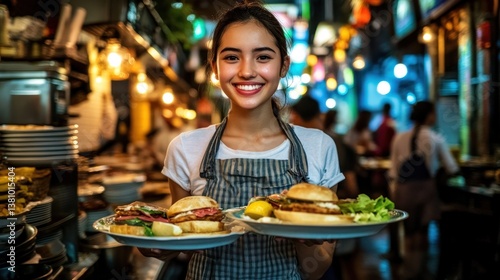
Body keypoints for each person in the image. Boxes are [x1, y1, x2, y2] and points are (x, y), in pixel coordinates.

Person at [139, 2, 345, 279]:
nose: (247, 71)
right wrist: (161, 245)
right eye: (232, 57)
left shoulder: (318, 147)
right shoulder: (185, 148)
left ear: (283, 65)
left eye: (263, 57)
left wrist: (302, 234)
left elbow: (315, 269)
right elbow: (183, 241)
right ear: (214, 67)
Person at [388, 101, 459, 278]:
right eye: (433, 113)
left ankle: (408, 270)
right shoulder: (436, 138)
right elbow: (452, 168)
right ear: (428, 116)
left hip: (403, 190)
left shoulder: (399, 137)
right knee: (423, 231)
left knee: (409, 231)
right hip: (426, 191)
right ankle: (420, 270)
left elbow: (393, 170)